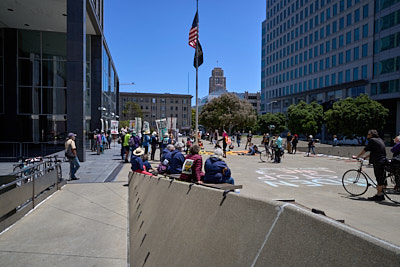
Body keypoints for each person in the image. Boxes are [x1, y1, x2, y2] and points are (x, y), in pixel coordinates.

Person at [353, 129, 387, 201]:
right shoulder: (379, 139)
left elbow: (365, 149)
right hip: (383, 160)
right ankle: (381, 193)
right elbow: (374, 151)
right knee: (381, 177)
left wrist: (357, 156)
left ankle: (379, 195)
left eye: (368, 134)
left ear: (371, 135)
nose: (367, 135)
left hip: (378, 161)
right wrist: (365, 157)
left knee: (379, 178)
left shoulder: (372, 140)